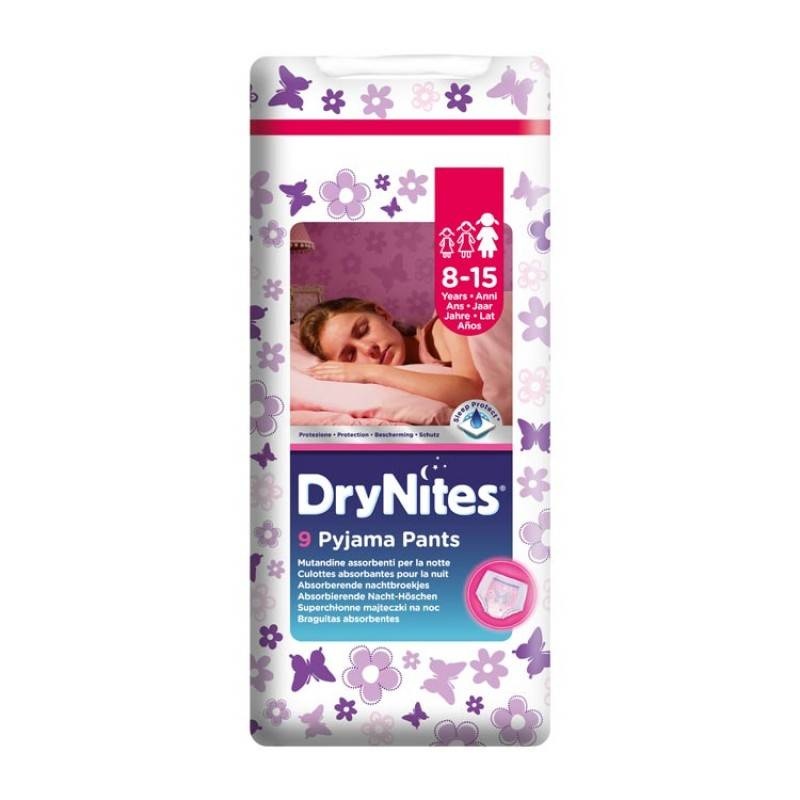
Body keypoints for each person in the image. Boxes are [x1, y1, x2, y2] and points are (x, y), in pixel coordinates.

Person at [299, 297, 482, 407]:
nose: (368, 348)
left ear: (383, 314)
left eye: (363, 330)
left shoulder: (451, 322)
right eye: (351, 355)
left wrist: (371, 372)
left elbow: (473, 393)